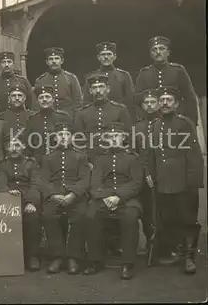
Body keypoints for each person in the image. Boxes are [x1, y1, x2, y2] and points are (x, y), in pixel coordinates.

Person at [148, 86, 204, 274]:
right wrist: (151, 175)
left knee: (187, 218)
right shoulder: (155, 125)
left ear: (176, 103)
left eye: (169, 100)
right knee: (169, 218)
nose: (164, 103)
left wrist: (193, 181)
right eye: (161, 100)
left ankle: (189, 257)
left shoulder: (184, 123)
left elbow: (194, 154)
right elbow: (153, 154)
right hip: (163, 181)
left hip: (183, 180)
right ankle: (177, 252)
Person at [83, 122, 143, 280]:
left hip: (127, 199)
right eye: (110, 137)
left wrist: (118, 196)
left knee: (130, 218)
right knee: (91, 215)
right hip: (103, 199)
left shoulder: (133, 158)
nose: (114, 139)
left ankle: (128, 264)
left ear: (123, 137)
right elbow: (95, 182)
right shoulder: (101, 159)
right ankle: (95, 260)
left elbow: (136, 183)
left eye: (117, 136)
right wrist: (106, 197)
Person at [40, 121, 90, 275]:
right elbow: (43, 180)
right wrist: (53, 195)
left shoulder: (80, 156)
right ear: (55, 138)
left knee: (80, 215)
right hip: (54, 196)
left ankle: (73, 257)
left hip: (75, 197)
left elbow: (84, 179)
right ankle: (57, 256)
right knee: (48, 215)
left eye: (66, 134)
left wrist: (72, 194)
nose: (63, 137)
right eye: (60, 135)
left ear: (72, 137)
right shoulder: (47, 158)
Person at [0, 138, 42, 271]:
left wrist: (31, 202)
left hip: (27, 201)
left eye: (17, 145)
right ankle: (9, 257)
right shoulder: (3, 164)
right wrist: (8, 193)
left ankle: (32, 256)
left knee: (32, 219)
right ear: (6, 149)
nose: (14, 148)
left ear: (23, 147)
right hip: (8, 200)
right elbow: (0, 184)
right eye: (10, 146)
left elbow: (35, 184)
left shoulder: (31, 163)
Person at [135, 36, 199, 125]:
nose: (158, 52)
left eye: (161, 49)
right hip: (153, 120)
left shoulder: (178, 70)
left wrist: (192, 122)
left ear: (168, 52)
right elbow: (137, 98)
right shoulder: (144, 73)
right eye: (154, 50)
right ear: (150, 54)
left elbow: (189, 97)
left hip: (176, 119)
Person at [75, 73, 132, 163]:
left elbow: (128, 137)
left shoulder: (120, 110)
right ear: (90, 91)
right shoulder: (82, 113)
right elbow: (78, 141)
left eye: (101, 87)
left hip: (116, 159)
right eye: (94, 88)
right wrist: (86, 162)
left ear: (108, 89)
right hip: (91, 160)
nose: (98, 91)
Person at [133, 89, 161, 248]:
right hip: (144, 175)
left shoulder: (164, 124)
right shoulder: (137, 127)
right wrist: (145, 173)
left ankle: (164, 244)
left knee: (163, 209)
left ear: (158, 104)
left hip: (163, 174)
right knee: (147, 209)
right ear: (142, 106)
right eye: (146, 103)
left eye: (153, 102)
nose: (150, 106)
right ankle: (150, 240)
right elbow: (135, 153)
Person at [82, 42, 135, 120]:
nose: (106, 57)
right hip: (96, 118)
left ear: (115, 56)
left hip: (118, 118)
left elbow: (130, 101)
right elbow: (87, 101)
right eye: (103, 55)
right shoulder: (91, 77)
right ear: (98, 57)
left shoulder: (124, 76)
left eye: (109, 54)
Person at [25, 85, 71, 163]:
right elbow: (28, 144)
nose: (44, 100)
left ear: (53, 99)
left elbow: (70, 140)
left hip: (59, 161)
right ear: (37, 101)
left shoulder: (63, 117)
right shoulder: (32, 120)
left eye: (47, 97)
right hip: (38, 162)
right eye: (41, 97)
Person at [34, 47, 82, 117]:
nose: (54, 61)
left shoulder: (71, 78)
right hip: (48, 118)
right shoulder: (40, 80)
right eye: (51, 59)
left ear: (62, 61)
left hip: (68, 118)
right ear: (47, 62)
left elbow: (78, 102)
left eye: (56, 58)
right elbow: (37, 104)